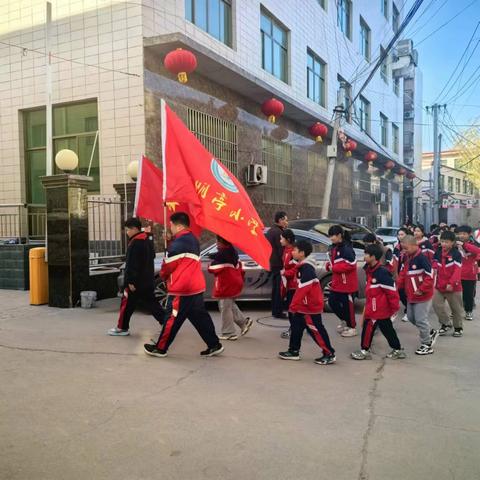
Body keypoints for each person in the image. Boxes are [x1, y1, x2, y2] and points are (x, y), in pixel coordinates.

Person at [144, 212, 223, 358]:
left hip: (182, 288)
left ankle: (160, 348)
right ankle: (214, 344)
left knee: (171, 318)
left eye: (172, 225)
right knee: (200, 318)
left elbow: (167, 267)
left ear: (179, 225)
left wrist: (164, 275)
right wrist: (170, 241)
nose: (170, 228)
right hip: (195, 286)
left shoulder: (177, 244)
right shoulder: (192, 239)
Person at [278, 240, 336, 365]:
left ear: (302, 253)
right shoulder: (301, 266)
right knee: (296, 327)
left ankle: (329, 353)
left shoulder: (307, 269)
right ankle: (294, 351)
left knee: (316, 329)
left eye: (295, 250)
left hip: (310, 305)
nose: (292, 252)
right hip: (303, 305)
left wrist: (293, 306)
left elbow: (302, 291)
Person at [108, 217, 164, 336]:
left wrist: (130, 281)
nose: (127, 232)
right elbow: (151, 257)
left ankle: (122, 328)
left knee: (127, 304)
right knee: (152, 303)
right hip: (147, 280)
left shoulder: (135, 243)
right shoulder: (147, 240)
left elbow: (132, 264)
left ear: (134, 229)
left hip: (136, 282)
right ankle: (166, 323)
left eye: (128, 230)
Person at [351, 244, 405, 360]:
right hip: (374, 306)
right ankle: (397, 349)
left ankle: (364, 350)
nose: (364, 256)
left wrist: (394, 309)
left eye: (366, 254)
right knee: (387, 329)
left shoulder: (382, 273)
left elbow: (392, 292)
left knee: (368, 327)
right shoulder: (369, 270)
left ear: (373, 257)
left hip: (379, 309)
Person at [397, 235, 438, 355]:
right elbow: (403, 274)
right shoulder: (407, 258)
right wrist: (397, 287)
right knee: (410, 317)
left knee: (420, 320)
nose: (404, 251)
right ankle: (429, 331)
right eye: (403, 248)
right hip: (411, 295)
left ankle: (427, 344)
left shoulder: (422, 258)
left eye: (406, 248)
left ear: (415, 246)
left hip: (422, 295)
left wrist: (422, 289)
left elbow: (430, 276)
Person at [208, 236, 253, 341]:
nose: (216, 243)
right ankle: (243, 322)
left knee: (225, 307)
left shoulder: (222, 255)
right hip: (234, 282)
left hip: (226, 284)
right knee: (230, 305)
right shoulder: (231, 251)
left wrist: (212, 261)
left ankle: (228, 332)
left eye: (217, 241)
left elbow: (212, 268)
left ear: (222, 242)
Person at [327, 225, 359, 337]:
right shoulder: (335, 247)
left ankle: (352, 327)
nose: (331, 238)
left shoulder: (347, 248)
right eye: (330, 236)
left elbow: (351, 264)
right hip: (337, 283)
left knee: (348, 307)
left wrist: (334, 268)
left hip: (347, 284)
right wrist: (329, 266)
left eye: (333, 236)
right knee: (332, 302)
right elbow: (335, 262)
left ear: (339, 235)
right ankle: (345, 321)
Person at [432, 231, 464, 337]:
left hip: (453, 287)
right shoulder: (438, 251)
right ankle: (445, 324)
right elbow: (434, 261)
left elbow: (457, 271)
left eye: (446, 242)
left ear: (452, 242)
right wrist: (435, 266)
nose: (443, 244)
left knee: (456, 308)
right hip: (439, 285)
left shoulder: (456, 254)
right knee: (437, 305)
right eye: (442, 241)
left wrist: (452, 283)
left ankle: (458, 328)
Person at [265, 211, 289, 319]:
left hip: (272, 263)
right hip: (279, 264)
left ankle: (275, 310)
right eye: (285, 220)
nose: (286, 222)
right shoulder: (279, 233)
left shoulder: (270, 231)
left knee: (275, 288)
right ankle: (278, 311)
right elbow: (281, 251)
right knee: (279, 289)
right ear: (280, 220)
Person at [456, 225, 480, 321]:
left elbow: (478, 251)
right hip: (456, 273)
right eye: (460, 233)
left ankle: (468, 311)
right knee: (455, 295)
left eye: (464, 234)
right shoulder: (455, 243)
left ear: (469, 234)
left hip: (469, 274)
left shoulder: (474, 243)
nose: (461, 235)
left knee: (468, 295)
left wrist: (463, 245)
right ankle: (456, 311)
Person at [279, 229, 297, 339]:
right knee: (291, 308)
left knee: (293, 309)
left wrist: (286, 273)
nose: (280, 240)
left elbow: (296, 268)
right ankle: (295, 327)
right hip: (288, 283)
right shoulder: (286, 250)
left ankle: (294, 329)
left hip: (294, 285)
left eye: (282, 238)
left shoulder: (294, 251)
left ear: (288, 240)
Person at [394, 227, 410, 321]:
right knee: (400, 292)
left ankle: (409, 311)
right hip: (399, 273)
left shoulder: (410, 246)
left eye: (402, 234)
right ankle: (409, 308)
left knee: (407, 292)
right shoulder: (397, 247)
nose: (400, 236)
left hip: (409, 273)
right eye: (399, 234)